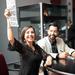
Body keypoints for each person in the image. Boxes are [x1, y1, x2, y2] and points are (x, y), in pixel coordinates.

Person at [4, 9, 52, 75]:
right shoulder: (22, 47)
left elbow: (46, 55)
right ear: (24, 37)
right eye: (27, 33)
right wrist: (8, 19)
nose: (30, 34)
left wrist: (49, 58)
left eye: (32, 32)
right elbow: (11, 39)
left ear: (35, 35)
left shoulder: (36, 46)